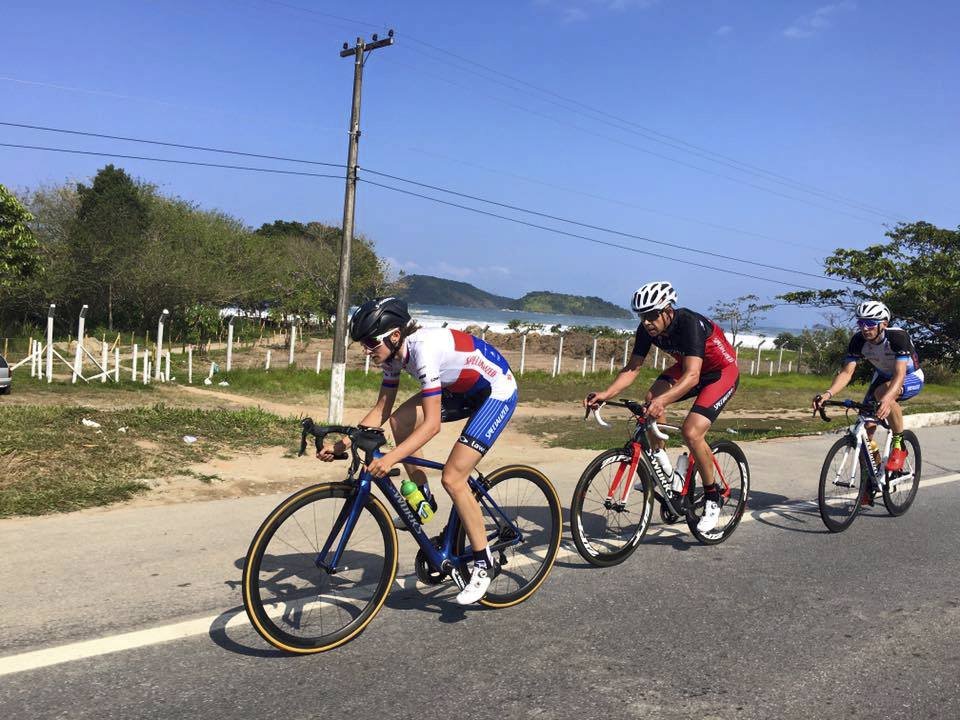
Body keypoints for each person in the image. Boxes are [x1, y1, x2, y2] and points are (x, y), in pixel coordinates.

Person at [318, 297, 518, 605]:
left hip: (496, 391)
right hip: (462, 389)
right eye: (363, 344)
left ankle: (484, 563)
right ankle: (422, 497)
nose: (367, 351)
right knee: (400, 421)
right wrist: (343, 444)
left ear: (395, 335)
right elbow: (382, 410)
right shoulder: (392, 357)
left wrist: (393, 458)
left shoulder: (424, 350)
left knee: (453, 477)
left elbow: (432, 425)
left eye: (371, 343)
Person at [584, 281, 739, 533]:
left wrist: (662, 401)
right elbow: (633, 368)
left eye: (652, 315)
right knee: (650, 399)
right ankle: (667, 472)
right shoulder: (647, 330)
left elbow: (692, 377)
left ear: (668, 311)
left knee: (691, 431)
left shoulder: (689, 323)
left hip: (720, 372)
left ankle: (713, 497)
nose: (646, 322)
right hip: (690, 367)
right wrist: (606, 393)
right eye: (642, 316)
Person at [812, 300, 923, 484]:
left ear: (883, 324)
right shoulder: (858, 340)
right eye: (861, 323)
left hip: (910, 377)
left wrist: (887, 399)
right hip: (882, 377)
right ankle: (871, 479)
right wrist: (827, 394)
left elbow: (900, 373)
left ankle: (899, 444)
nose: (865, 328)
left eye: (870, 323)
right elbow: (847, 373)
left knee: (883, 393)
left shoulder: (897, 337)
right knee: (865, 431)